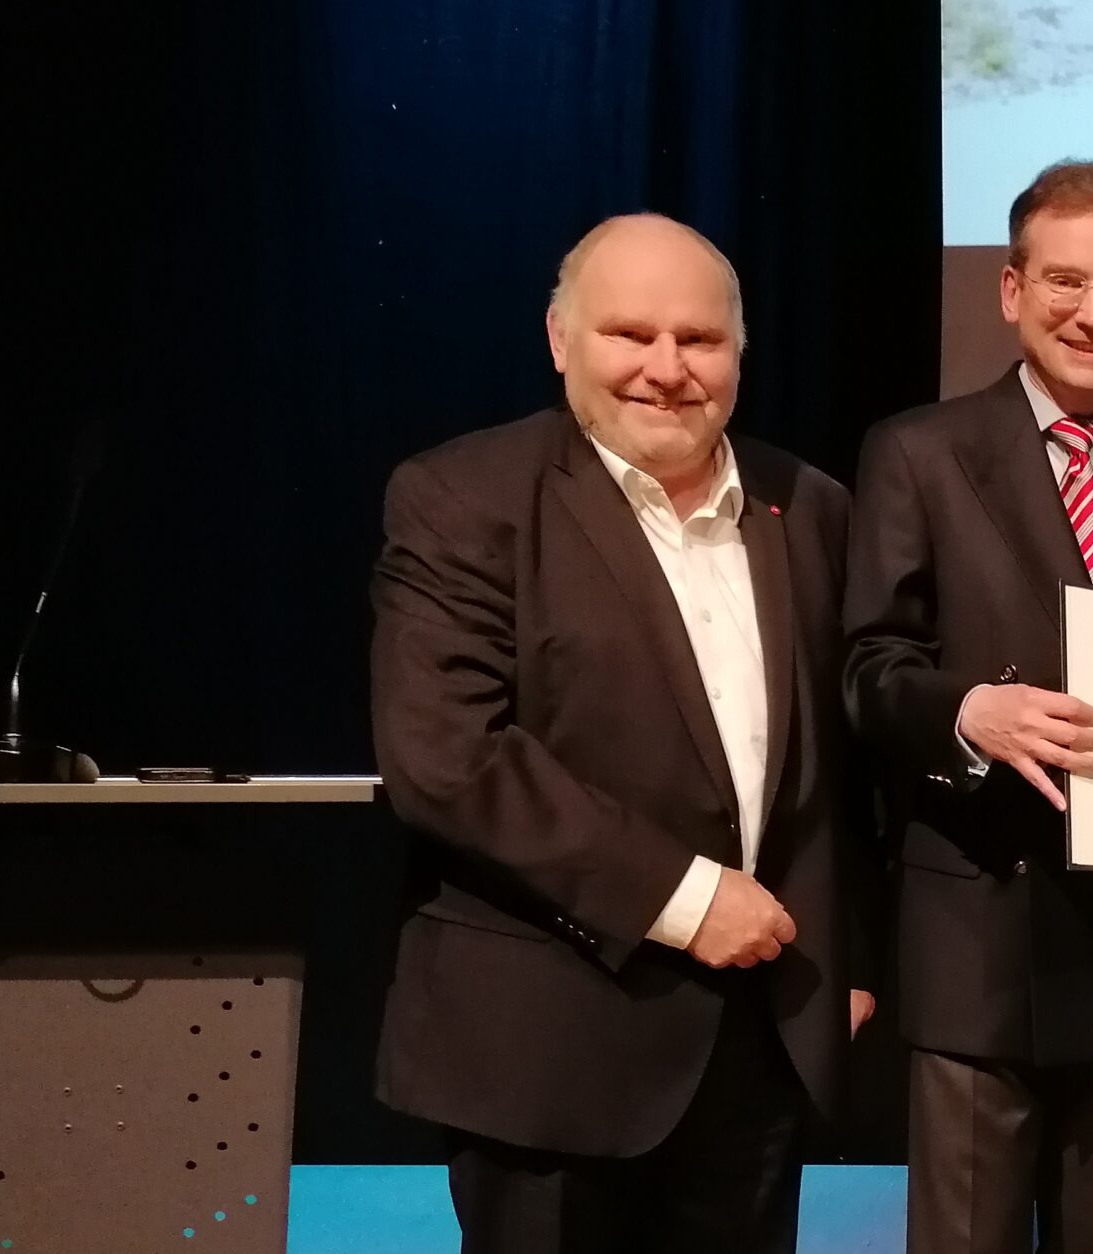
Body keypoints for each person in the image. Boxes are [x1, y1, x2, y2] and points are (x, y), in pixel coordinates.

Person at [370, 213, 876, 1254]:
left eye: (698, 340)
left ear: (740, 351)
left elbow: (841, 761)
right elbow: (448, 761)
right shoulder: (462, 498)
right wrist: (687, 901)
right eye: (629, 335)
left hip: (757, 1048)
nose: (666, 368)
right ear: (561, 341)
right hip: (551, 1057)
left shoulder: (813, 508)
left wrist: (849, 959)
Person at [840, 159, 1093, 1254]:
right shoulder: (917, 452)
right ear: (1012, 290)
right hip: (975, 929)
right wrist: (968, 712)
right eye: (1065, 281)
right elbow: (867, 669)